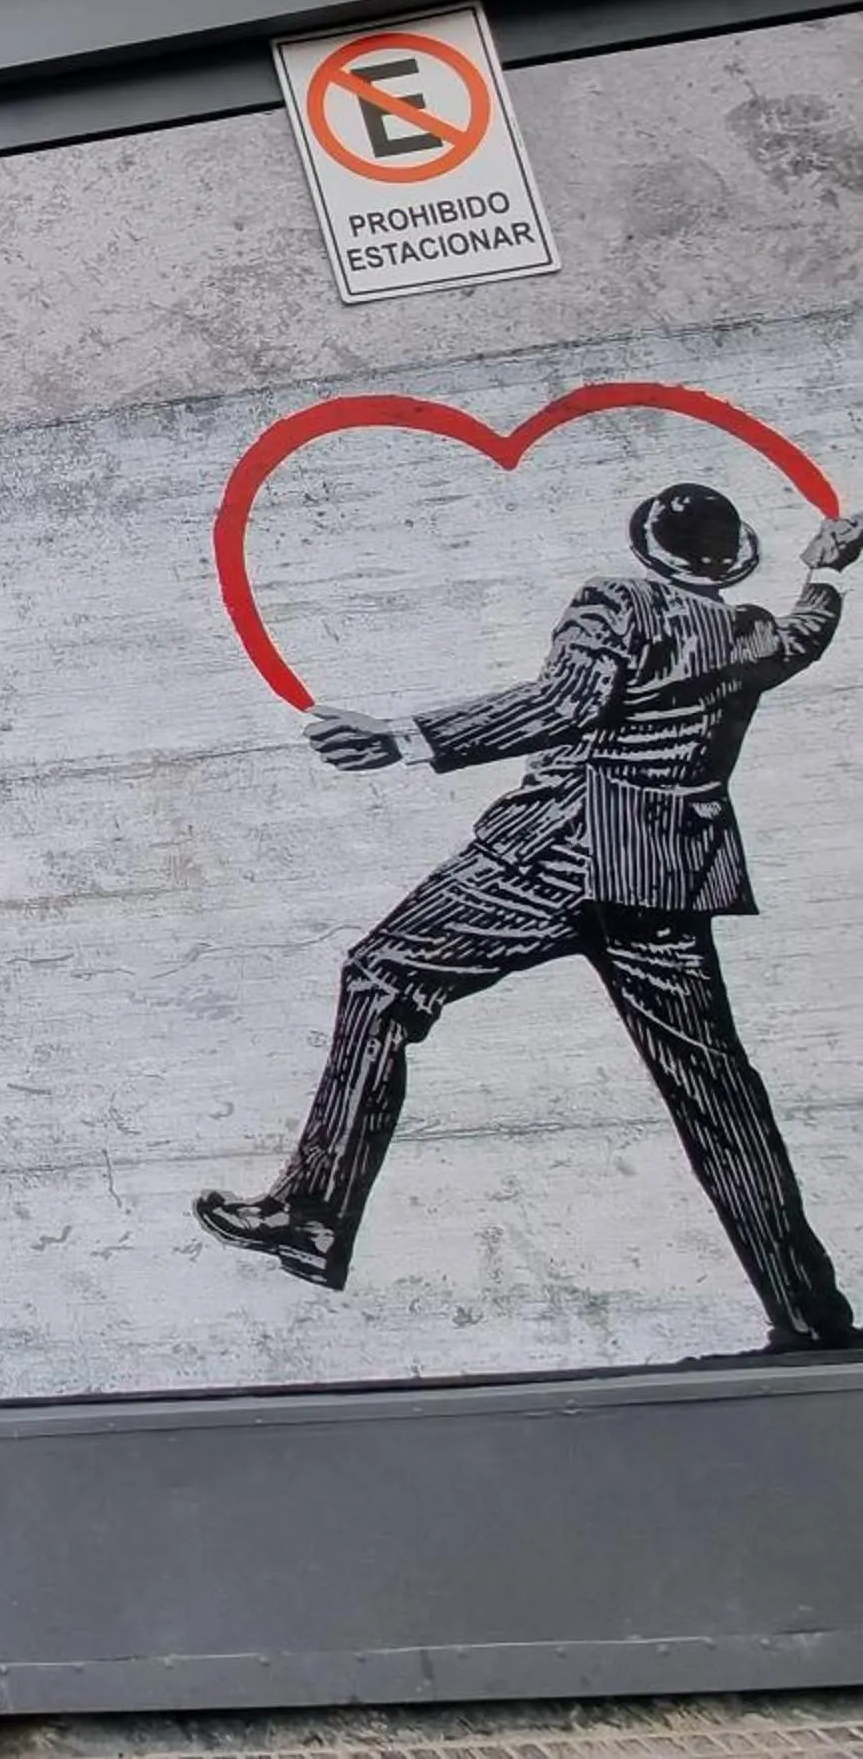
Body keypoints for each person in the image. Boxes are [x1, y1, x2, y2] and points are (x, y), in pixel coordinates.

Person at [195, 487, 863, 1351]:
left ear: (647, 550)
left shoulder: (615, 600)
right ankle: (809, 1316)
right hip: (664, 874)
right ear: (732, 562)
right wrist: (824, 569)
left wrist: (405, 736)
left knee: (381, 975)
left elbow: (565, 703)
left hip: (556, 854)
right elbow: (806, 633)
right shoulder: (753, 635)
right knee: (717, 1093)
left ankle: (312, 1213)